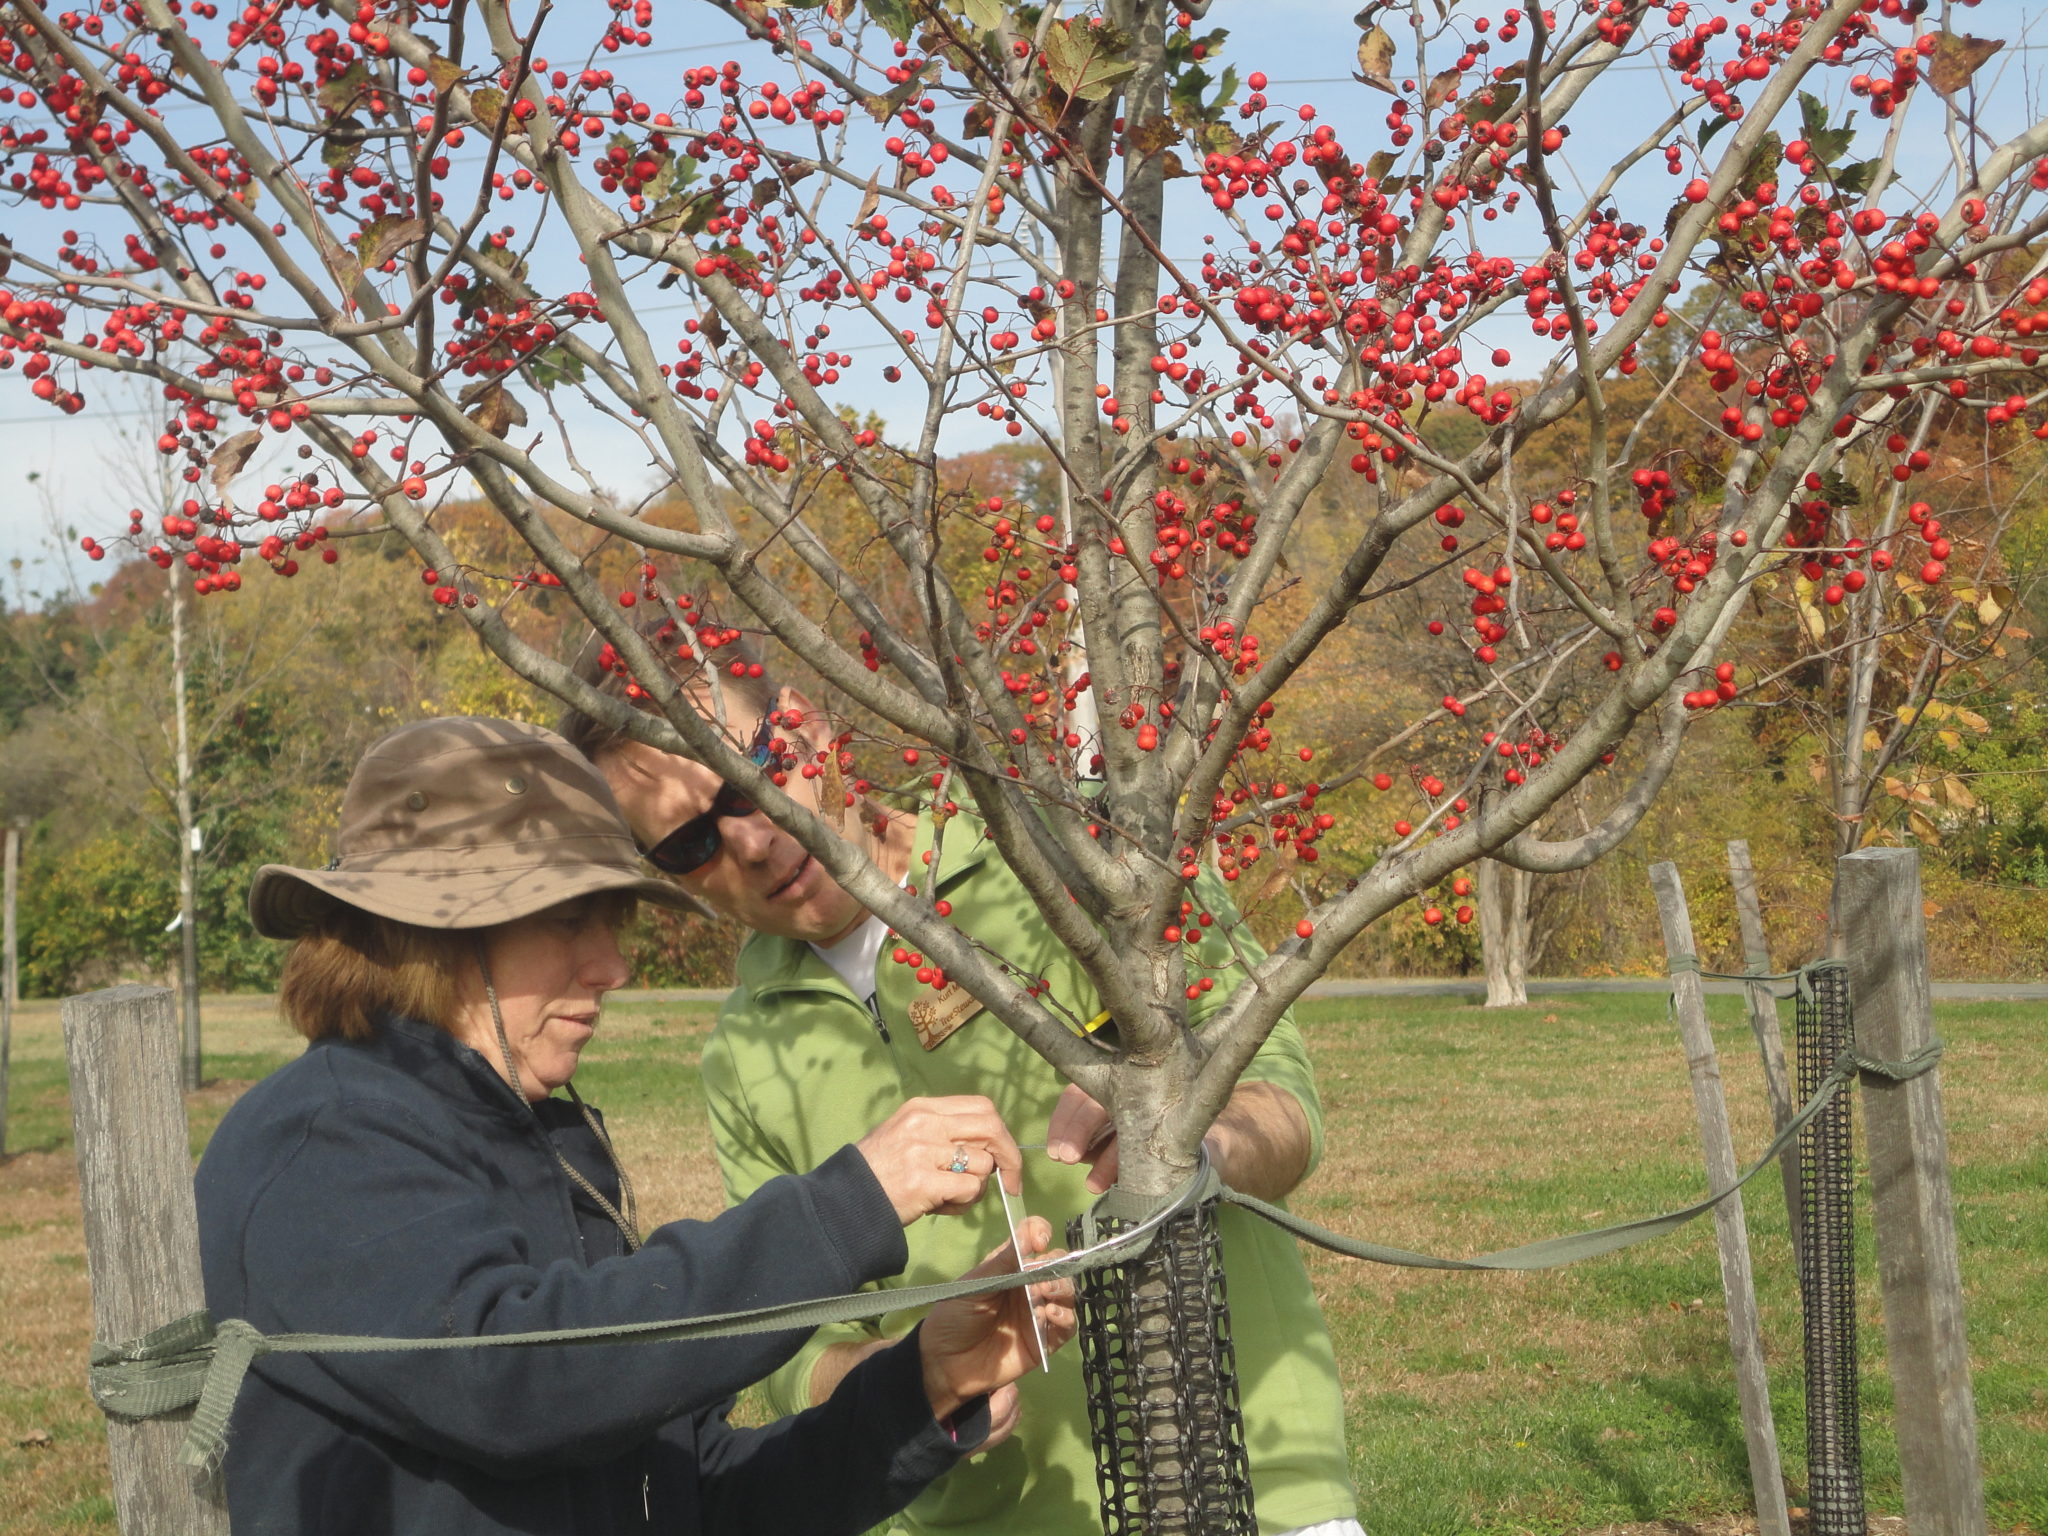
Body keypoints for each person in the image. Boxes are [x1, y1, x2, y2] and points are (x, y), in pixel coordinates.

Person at [195, 716, 1077, 1536]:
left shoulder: (547, 1145)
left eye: (611, 922)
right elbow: (518, 1381)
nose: (613, 964)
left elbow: (697, 1490)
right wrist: (853, 1204)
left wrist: (919, 1386)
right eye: (570, 920)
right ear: (439, 930)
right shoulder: (322, 1141)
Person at [562, 642, 1363, 1536]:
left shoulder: (1074, 851)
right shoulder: (744, 1052)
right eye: (690, 843)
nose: (751, 841)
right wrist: (914, 1380)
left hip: (1243, 1472)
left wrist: (1192, 1135)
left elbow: (1283, 1100)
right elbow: (797, 1346)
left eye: (750, 777)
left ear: (809, 723)